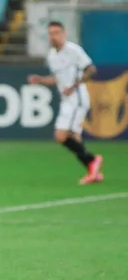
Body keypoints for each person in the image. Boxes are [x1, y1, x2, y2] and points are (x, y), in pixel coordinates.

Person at [28, 21, 104, 185]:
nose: (53, 36)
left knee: (61, 136)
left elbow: (91, 69)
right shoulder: (51, 56)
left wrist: (74, 86)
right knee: (75, 138)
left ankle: (92, 160)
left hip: (77, 98)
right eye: (51, 33)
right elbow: (56, 79)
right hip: (66, 100)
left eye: (56, 32)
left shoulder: (73, 50)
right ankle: (92, 172)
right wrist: (40, 80)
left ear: (64, 33)